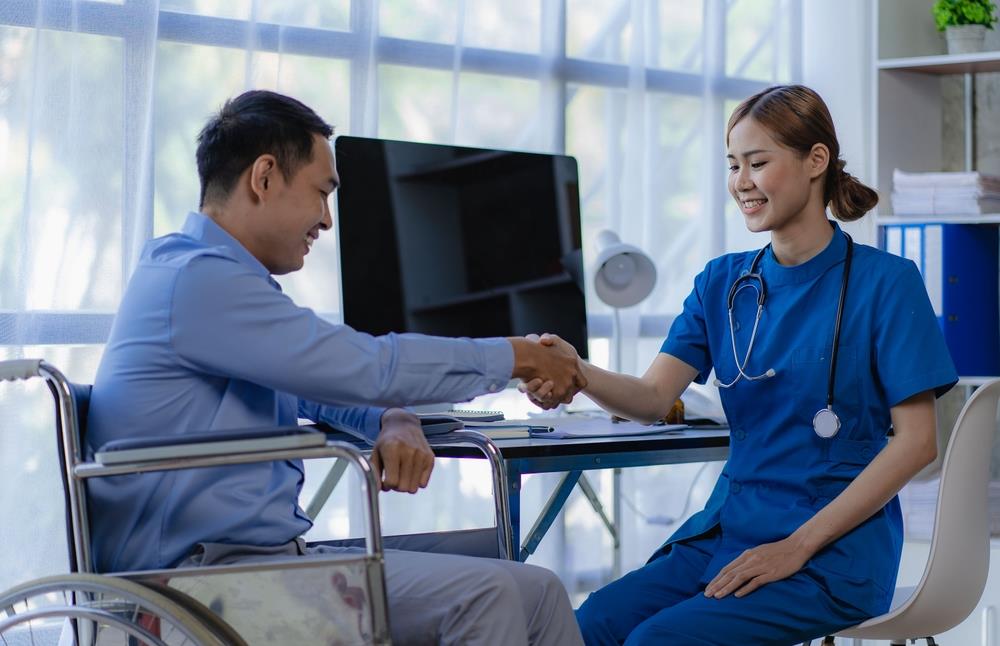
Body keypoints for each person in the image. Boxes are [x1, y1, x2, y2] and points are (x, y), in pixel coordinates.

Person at [86, 89, 585, 646]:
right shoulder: (196, 282)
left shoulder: (223, 284)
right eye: (321, 194)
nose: (326, 220)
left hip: (259, 566)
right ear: (265, 176)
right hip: (190, 588)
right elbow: (366, 366)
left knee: (538, 591)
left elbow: (328, 389)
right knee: (486, 596)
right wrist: (516, 355)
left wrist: (394, 418)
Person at [522, 85, 958, 645]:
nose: (741, 183)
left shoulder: (886, 283)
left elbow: (918, 442)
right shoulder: (722, 284)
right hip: (730, 532)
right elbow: (654, 398)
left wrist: (797, 546)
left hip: (834, 552)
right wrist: (578, 372)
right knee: (586, 627)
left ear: (816, 161)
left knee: (658, 641)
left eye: (758, 163)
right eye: (733, 165)